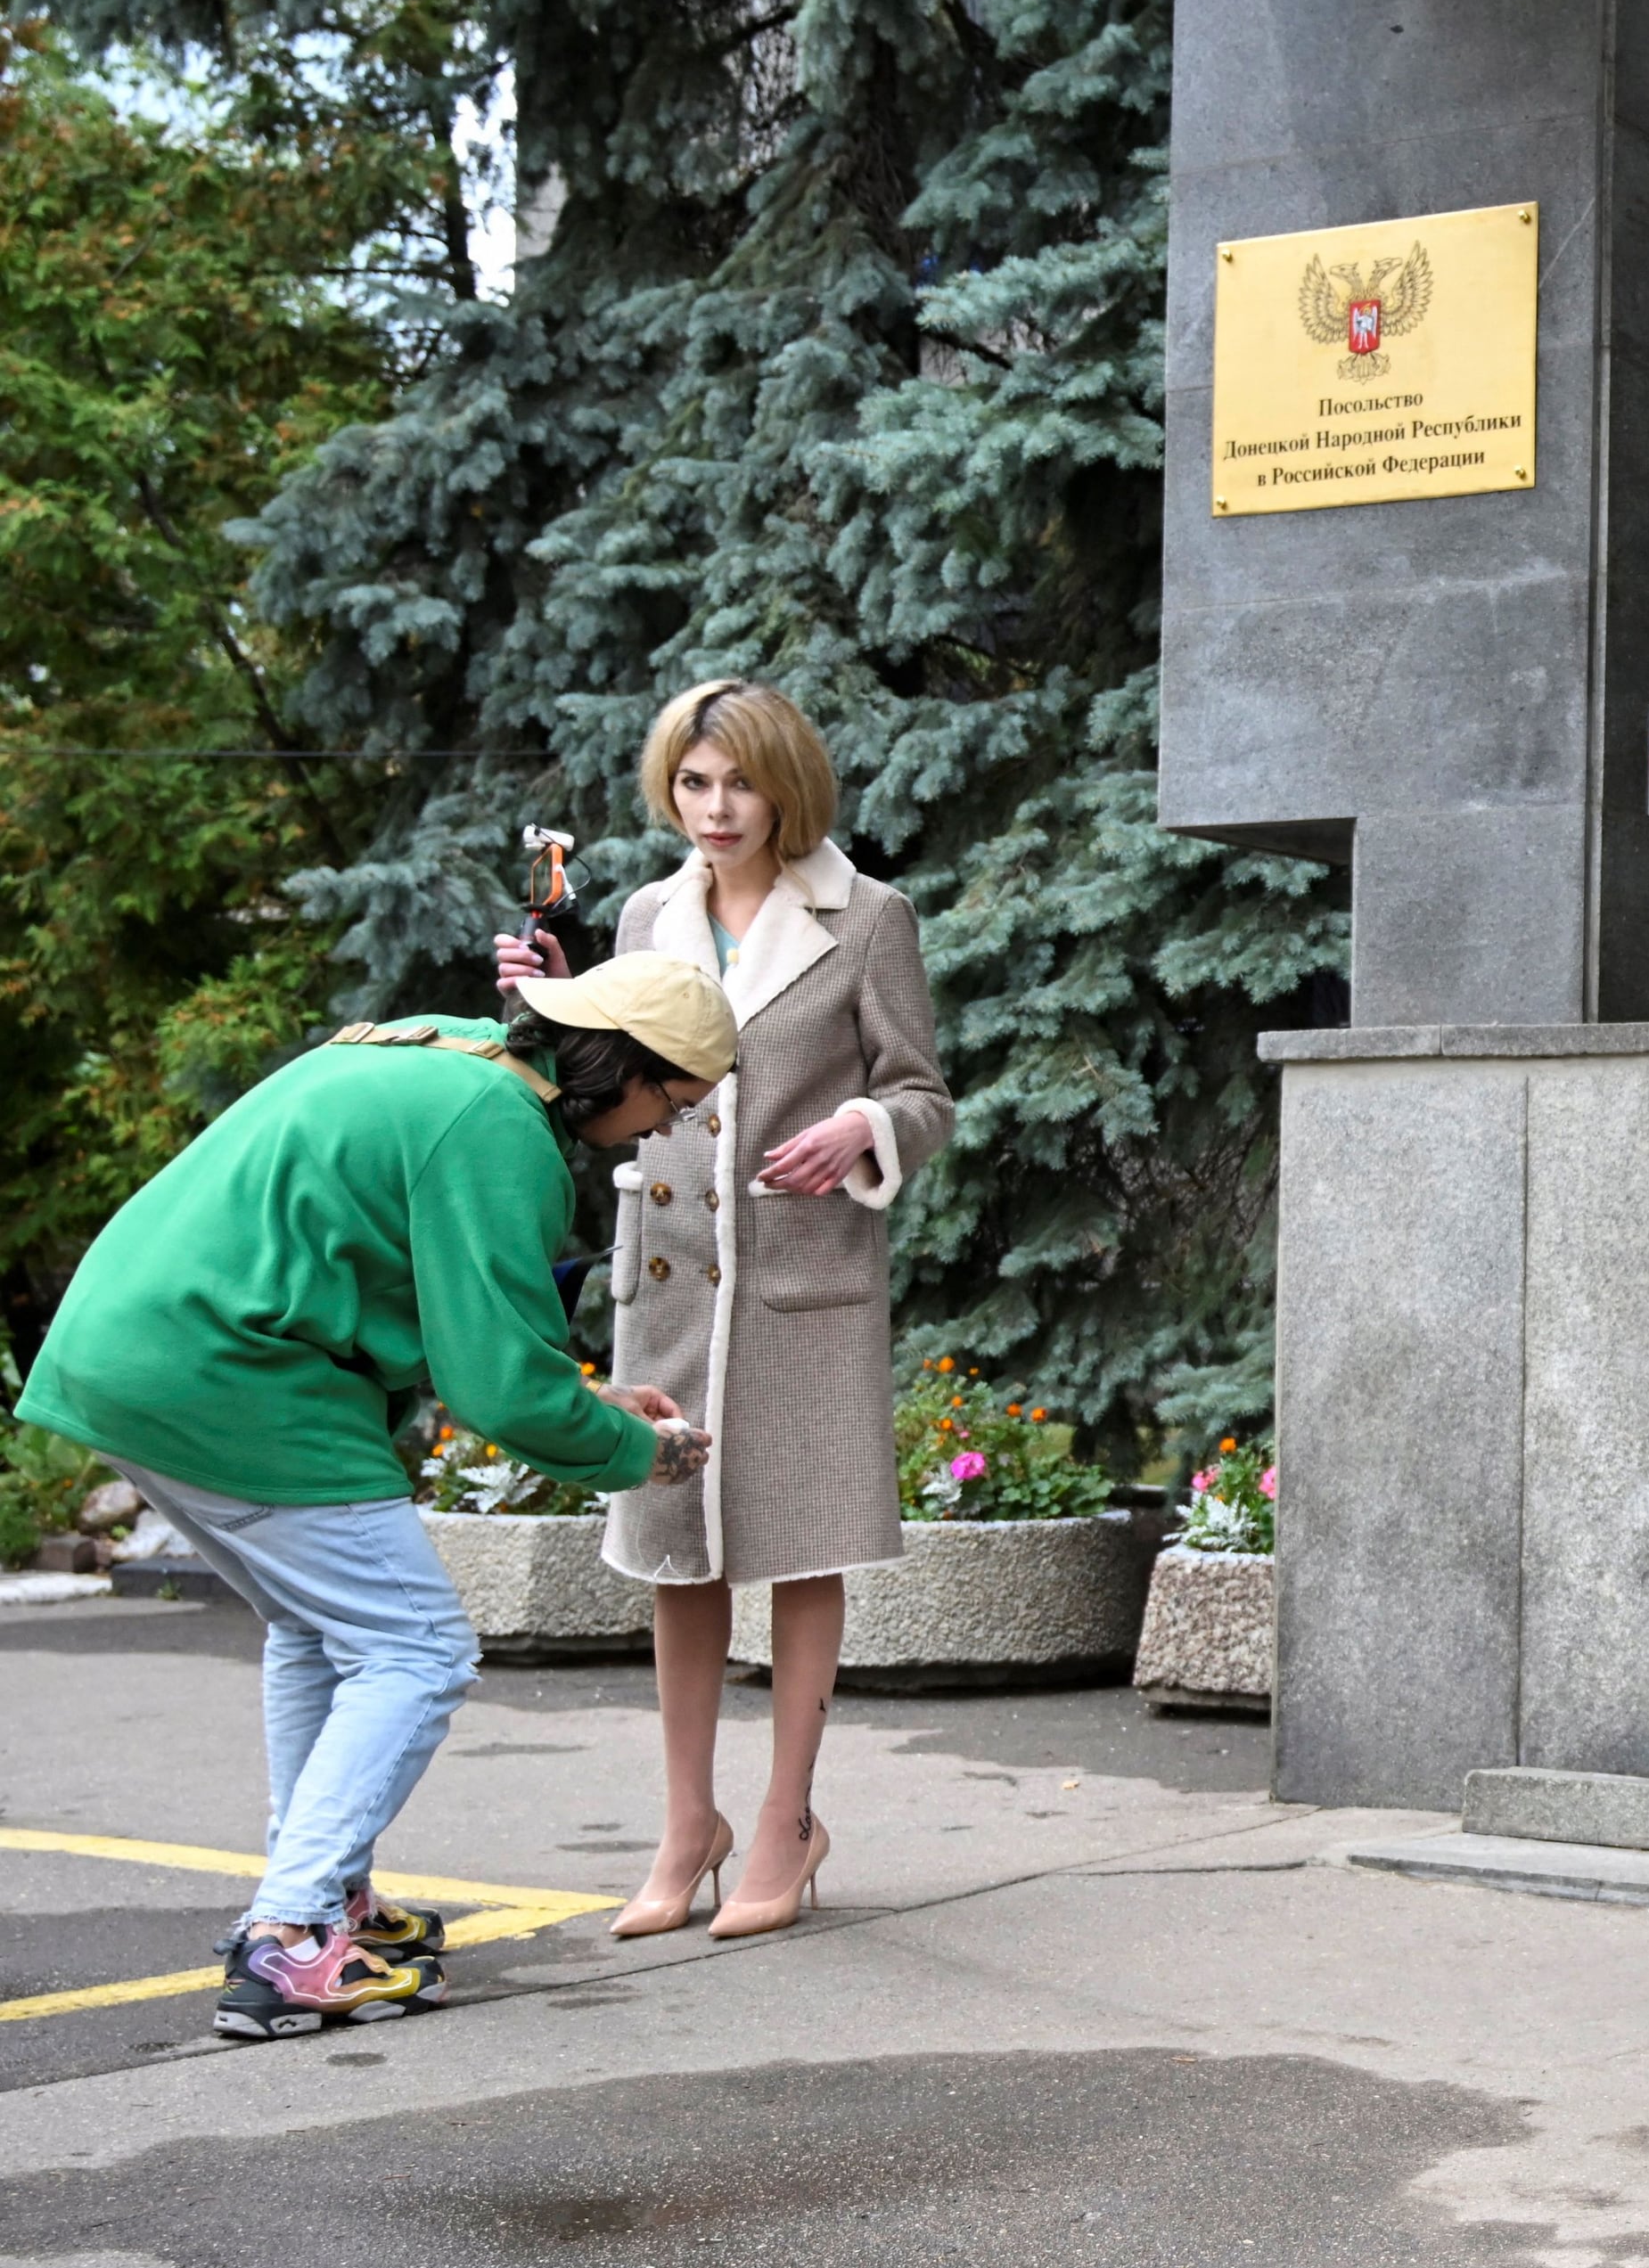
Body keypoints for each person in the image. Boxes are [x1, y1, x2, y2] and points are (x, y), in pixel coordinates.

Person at [9, 961, 733, 2037]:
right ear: (619, 1064)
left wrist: (588, 1402)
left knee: (321, 1629)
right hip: (234, 1376)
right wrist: (639, 1453)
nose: (652, 1132)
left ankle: (326, 1899)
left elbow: (427, 1306)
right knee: (415, 1649)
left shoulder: (443, 1050)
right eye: (668, 1103)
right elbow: (497, 1383)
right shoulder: (495, 1131)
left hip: (139, 1349)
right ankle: (292, 1937)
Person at [496, 681, 953, 1941]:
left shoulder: (867, 918)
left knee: (801, 1548)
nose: (714, 808)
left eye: (738, 784)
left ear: (784, 786)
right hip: (667, 1280)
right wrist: (553, 996)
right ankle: (683, 1823)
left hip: (805, 1281)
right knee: (674, 1554)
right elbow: (612, 1080)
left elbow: (922, 1090)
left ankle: (785, 1822)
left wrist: (864, 1126)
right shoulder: (648, 912)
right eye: (693, 783)